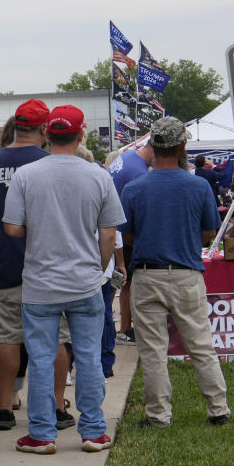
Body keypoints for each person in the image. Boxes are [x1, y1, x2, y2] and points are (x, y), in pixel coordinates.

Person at [4, 105, 124, 454]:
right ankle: (93, 431)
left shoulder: (27, 175)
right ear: (82, 133)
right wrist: (98, 267)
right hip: (85, 280)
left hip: (41, 283)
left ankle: (41, 434)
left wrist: (40, 228)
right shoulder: (99, 176)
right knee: (87, 356)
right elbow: (108, 233)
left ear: (46, 134)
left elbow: (12, 227)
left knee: (41, 359)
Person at [122, 118, 231, 427]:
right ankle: (218, 409)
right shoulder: (198, 185)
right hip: (186, 273)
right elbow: (209, 232)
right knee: (200, 343)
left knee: (153, 349)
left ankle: (158, 415)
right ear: (183, 146)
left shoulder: (134, 188)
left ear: (152, 146)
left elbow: (127, 235)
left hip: (146, 274)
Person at [0, 100, 75, 432]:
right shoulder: (51, 163)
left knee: (8, 337)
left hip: (7, 263)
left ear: (16, 126)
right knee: (56, 338)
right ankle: (57, 405)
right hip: (49, 266)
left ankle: (4, 408)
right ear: (45, 129)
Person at [109, 140, 153, 341]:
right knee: (125, 282)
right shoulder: (140, 173)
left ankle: (118, 329)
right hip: (120, 232)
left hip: (111, 230)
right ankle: (124, 329)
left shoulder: (128, 156)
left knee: (117, 283)